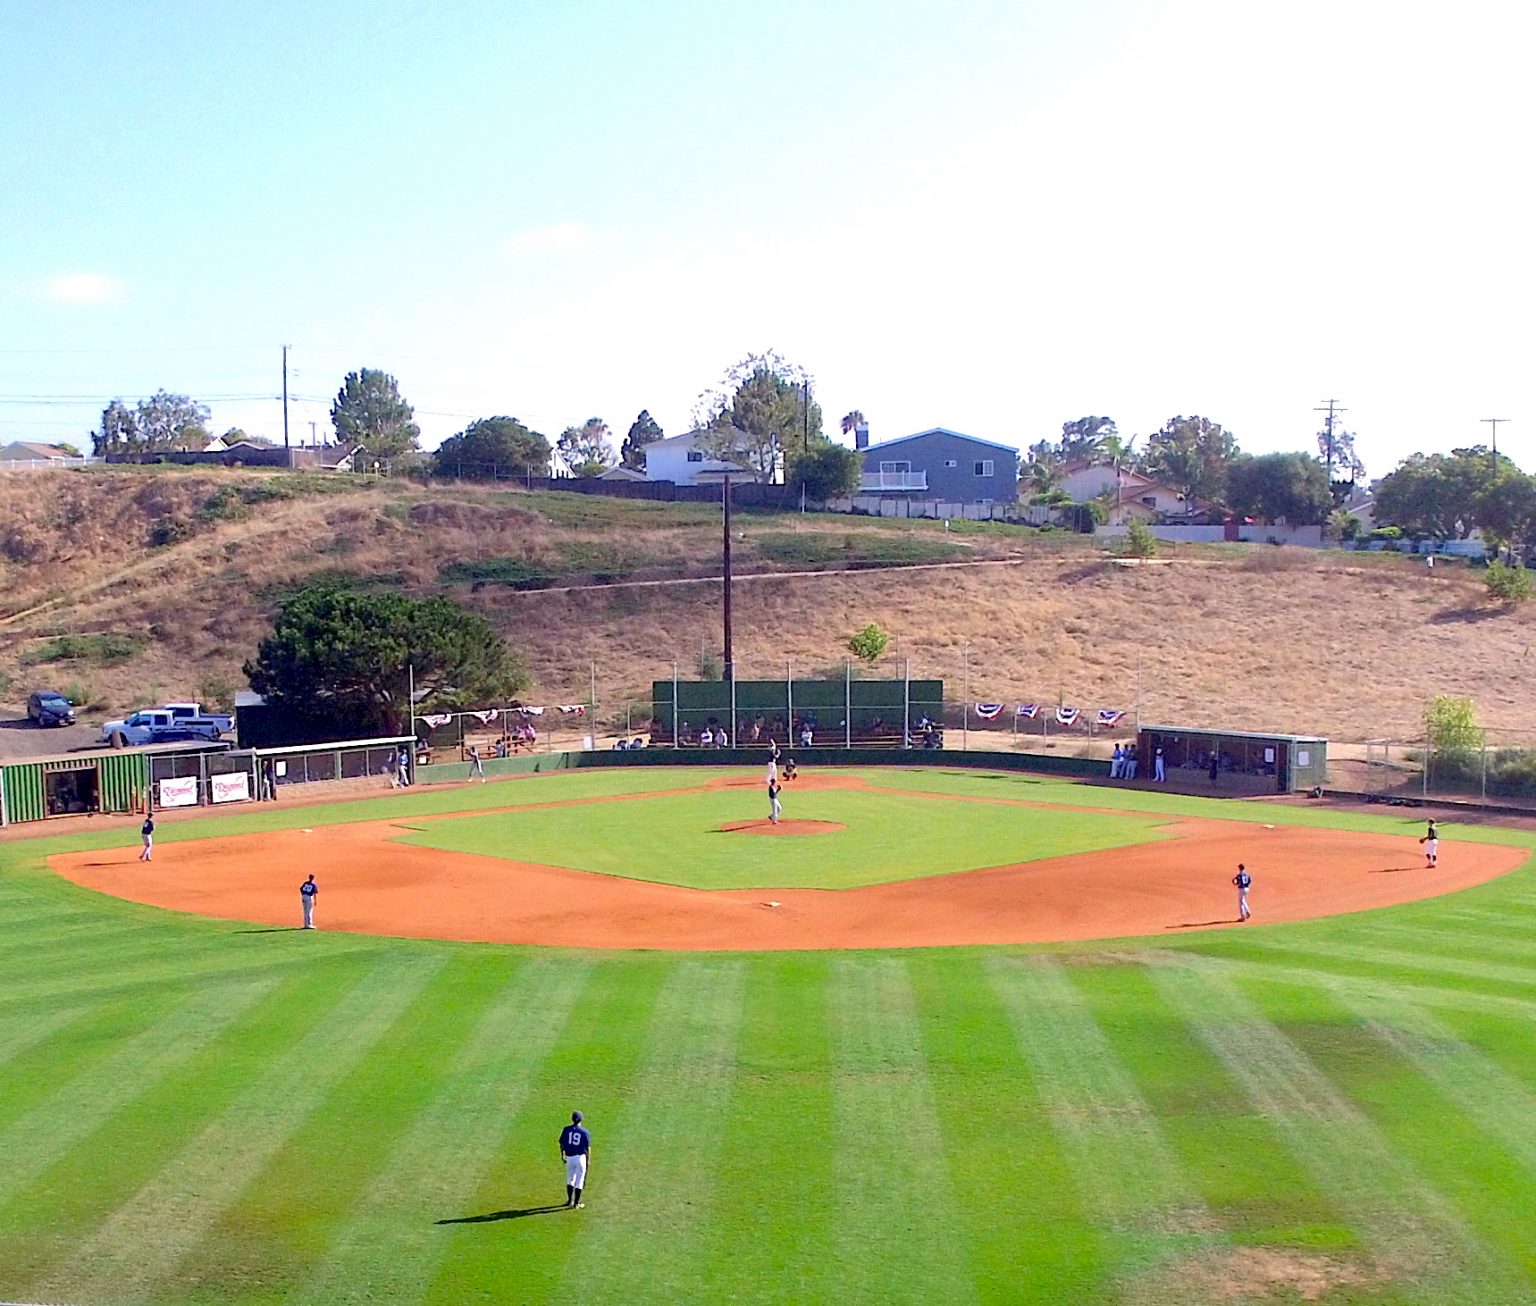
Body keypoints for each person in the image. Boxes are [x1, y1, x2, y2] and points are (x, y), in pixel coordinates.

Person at [559, 1110, 591, 1209]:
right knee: (579, 1180)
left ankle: (569, 1201)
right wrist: (588, 1160)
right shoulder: (585, 1132)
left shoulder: (566, 1129)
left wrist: (562, 1155)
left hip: (570, 1157)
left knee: (570, 1179)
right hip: (581, 1157)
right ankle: (576, 1203)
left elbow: (561, 1144)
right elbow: (588, 1147)